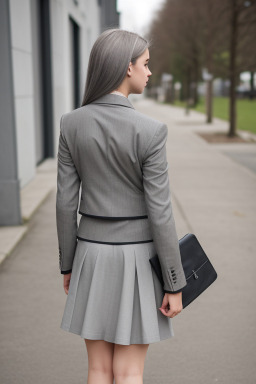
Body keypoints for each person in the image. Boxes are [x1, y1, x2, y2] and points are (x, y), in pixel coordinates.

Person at [56, 28, 187, 384]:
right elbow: (160, 213)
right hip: (139, 261)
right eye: (145, 64)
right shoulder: (151, 130)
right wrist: (175, 284)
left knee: (98, 370)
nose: (149, 72)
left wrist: (68, 264)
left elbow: (66, 204)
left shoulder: (71, 124)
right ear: (127, 67)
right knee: (129, 372)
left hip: (90, 256)